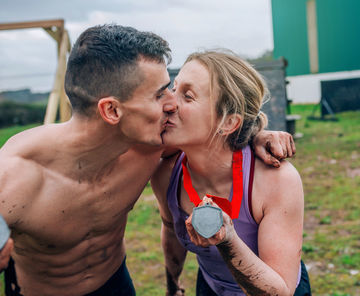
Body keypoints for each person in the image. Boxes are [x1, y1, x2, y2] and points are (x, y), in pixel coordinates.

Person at [0, 25, 294, 296]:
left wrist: (256, 133)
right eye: (159, 94)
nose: (171, 103)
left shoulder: (152, 147)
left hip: (116, 284)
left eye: (173, 88)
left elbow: (217, 136)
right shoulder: (15, 176)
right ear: (112, 111)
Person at [151, 50, 311, 296]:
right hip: (210, 288)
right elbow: (171, 229)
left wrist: (227, 241)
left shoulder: (276, 179)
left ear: (228, 123)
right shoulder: (167, 174)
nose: (170, 103)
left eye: (188, 96)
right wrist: (173, 284)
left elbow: (280, 292)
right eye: (174, 89)